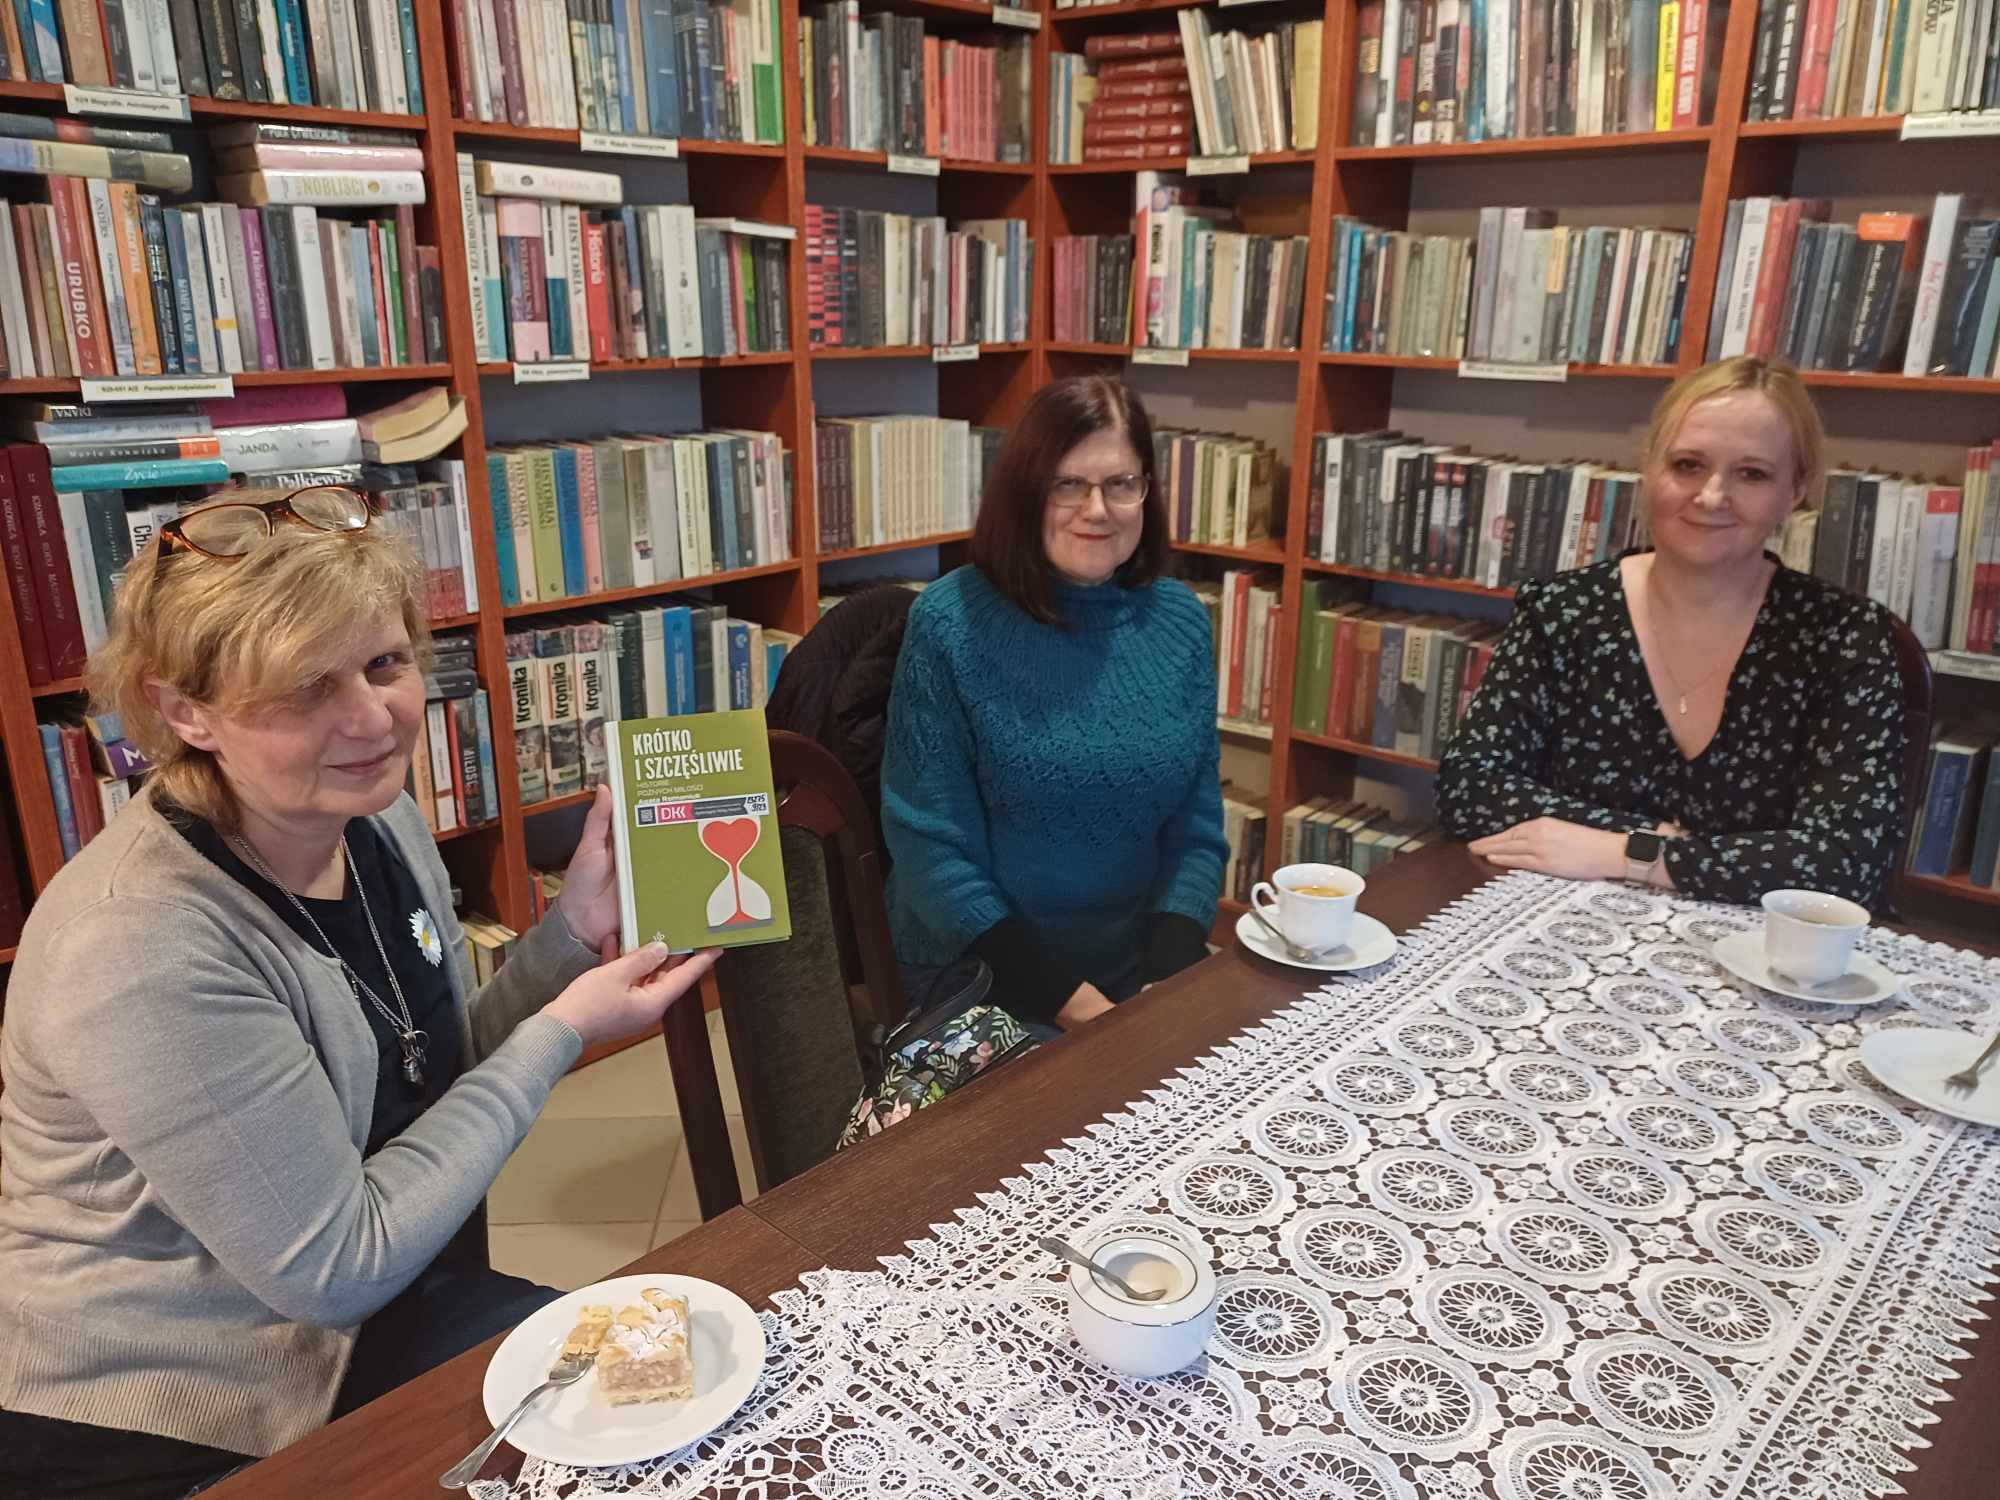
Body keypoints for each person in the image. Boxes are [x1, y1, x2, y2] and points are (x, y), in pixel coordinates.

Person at [0, 486, 718, 1499]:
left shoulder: (373, 820)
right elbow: (334, 1268)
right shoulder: (137, 944)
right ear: (183, 711)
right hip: (177, 1400)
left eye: (384, 663)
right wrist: (563, 1030)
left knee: (674, 1400)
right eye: (305, 687)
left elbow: (428, 1075)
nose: (372, 717)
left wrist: (567, 939)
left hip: (375, 1301)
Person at [1436, 356, 1906, 908]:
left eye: (1752, 474)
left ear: (1795, 490)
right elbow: (1470, 786)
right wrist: (1676, 844)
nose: (1711, 496)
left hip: (1761, 946)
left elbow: (1851, 861)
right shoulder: (1562, 612)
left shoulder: (1844, 636)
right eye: (1687, 465)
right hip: (1569, 922)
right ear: (1650, 466)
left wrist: (1635, 853)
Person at [880, 375, 1229, 1033]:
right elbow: (932, 854)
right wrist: (1082, 1009)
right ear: (1026, 492)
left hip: (1135, 972)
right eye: (1068, 484)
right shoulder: (951, 622)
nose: (1097, 509)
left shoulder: (1182, 621)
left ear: (1147, 491)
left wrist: (1164, 979)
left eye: (1120, 483)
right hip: (981, 981)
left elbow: (1196, 829)